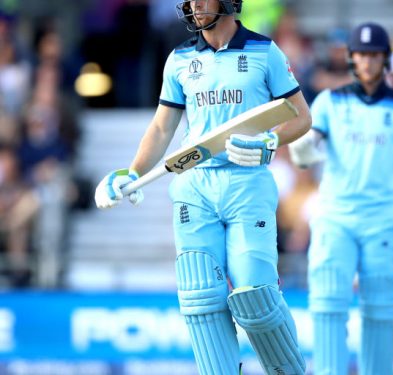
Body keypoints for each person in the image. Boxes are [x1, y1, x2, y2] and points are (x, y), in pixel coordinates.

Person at [93, 1, 310, 374]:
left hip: (247, 183)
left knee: (255, 294)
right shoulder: (179, 59)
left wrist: (269, 142)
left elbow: (301, 117)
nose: (194, 4)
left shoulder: (264, 52)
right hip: (195, 183)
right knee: (201, 295)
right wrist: (132, 173)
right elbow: (163, 127)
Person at [288, 22, 393, 375]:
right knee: (328, 301)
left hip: (383, 220)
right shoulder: (331, 101)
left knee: (379, 309)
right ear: (351, 58)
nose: (367, 62)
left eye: (374, 55)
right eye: (361, 54)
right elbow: (312, 142)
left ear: (386, 59)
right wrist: (303, 148)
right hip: (336, 216)